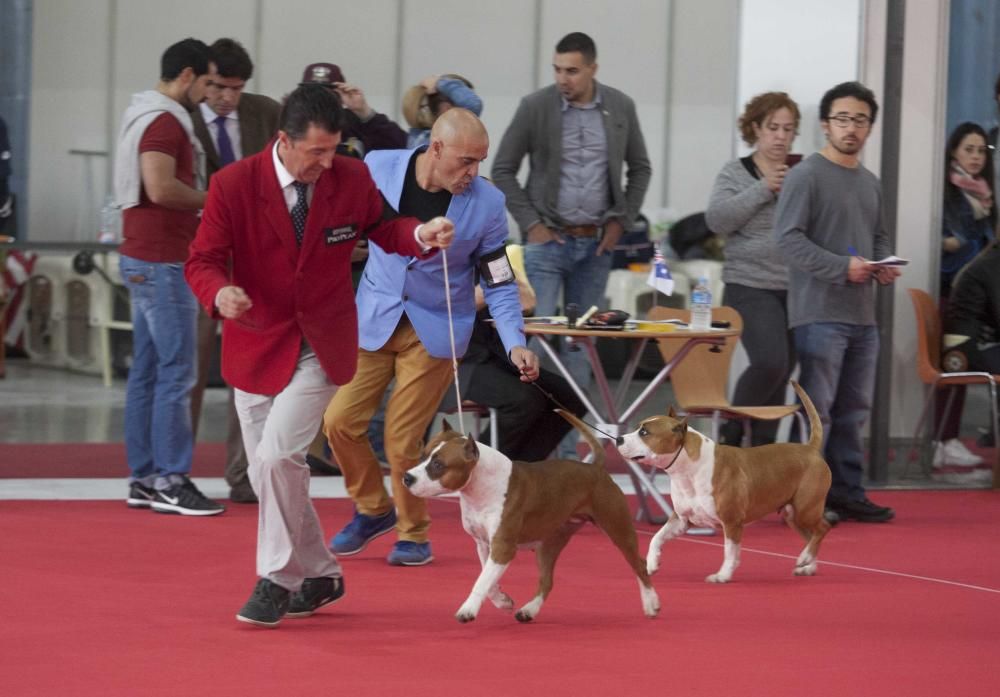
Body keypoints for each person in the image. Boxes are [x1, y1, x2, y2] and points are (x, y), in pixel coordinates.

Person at [184, 85, 455, 627]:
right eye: (316, 152)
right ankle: (322, 572)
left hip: (324, 343)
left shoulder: (350, 177)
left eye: (334, 150)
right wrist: (219, 292)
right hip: (257, 341)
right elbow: (203, 259)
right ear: (283, 141)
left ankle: (275, 578)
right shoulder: (233, 186)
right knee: (271, 474)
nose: (327, 163)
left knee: (278, 456)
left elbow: (384, 227)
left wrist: (421, 233)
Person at [324, 108, 540, 567]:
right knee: (338, 423)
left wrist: (514, 341)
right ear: (435, 148)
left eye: (480, 161)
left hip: (437, 328)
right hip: (375, 317)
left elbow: (499, 281)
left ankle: (414, 534)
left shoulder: (487, 203)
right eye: (465, 161)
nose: (473, 173)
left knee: (403, 439)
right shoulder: (379, 166)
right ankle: (372, 508)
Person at [491, 31, 651, 454]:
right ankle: (539, 449)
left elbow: (641, 168)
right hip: (547, 242)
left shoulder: (620, 107)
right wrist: (532, 225)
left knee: (582, 347)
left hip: (597, 244)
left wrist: (622, 221)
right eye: (558, 70)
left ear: (593, 69)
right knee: (540, 342)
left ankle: (571, 446)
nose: (564, 78)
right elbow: (503, 169)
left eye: (573, 71)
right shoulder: (535, 107)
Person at [775, 81, 902, 523]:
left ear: (869, 127)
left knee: (853, 412)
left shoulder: (870, 182)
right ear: (826, 124)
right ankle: (801, 498)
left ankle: (847, 491)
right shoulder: (806, 175)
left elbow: (879, 236)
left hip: (863, 315)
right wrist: (839, 267)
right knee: (819, 412)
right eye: (843, 119)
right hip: (818, 312)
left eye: (860, 120)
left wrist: (884, 264)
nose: (851, 128)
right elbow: (787, 240)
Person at [112, 38, 223, 516]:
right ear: (186, 75)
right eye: (206, 83)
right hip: (161, 260)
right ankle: (171, 478)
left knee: (150, 370)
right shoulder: (163, 121)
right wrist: (214, 200)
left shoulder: (147, 113)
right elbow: (159, 187)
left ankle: (145, 476)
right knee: (177, 371)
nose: (207, 94)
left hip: (145, 255)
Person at [188, 38, 281, 504]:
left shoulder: (265, 112)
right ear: (204, 81)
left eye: (237, 88)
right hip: (200, 256)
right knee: (190, 367)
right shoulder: (181, 117)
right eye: (220, 87)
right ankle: (172, 472)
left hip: (253, 258)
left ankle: (243, 472)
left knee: (248, 370)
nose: (227, 97)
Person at [705, 92, 801, 446]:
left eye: (788, 129)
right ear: (755, 129)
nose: (780, 136)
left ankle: (762, 454)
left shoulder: (801, 174)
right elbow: (716, 220)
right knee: (771, 361)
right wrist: (763, 188)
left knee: (784, 370)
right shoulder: (735, 172)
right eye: (772, 127)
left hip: (794, 286)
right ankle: (730, 437)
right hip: (748, 283)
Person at [445, 249, 587, 461]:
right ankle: (478, 466)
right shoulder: (432, 258)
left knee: (572, 398)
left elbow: (512, 304)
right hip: (451, 361)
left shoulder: (491, 254)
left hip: (496, 355)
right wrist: (485, 294)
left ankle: (520, 470)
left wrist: (524, 309)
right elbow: (434, 310)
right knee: (524, 401)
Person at [933, 122, 995, 470]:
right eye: (968, 149)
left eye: (980, 151)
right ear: (954, 151)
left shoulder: (985, 193)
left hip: (979, 298)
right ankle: (944, 439)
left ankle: (951, 439)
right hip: (952, 292)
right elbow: (947, 246)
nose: (974, 157)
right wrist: (966, 245)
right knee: (953, 366)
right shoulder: (948, 192)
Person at [299, 62, 407, 157]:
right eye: (311, 92)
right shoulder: (292, 123)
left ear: (340, 95)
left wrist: (364, 111)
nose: (319, 100)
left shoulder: (353, 123)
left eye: (327, 94)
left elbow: (400, 145)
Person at [401, 74, 483, 149]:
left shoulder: (419, 138)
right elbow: (473, 105)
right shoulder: (435, 141)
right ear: (446, 107)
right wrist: (438, 82)